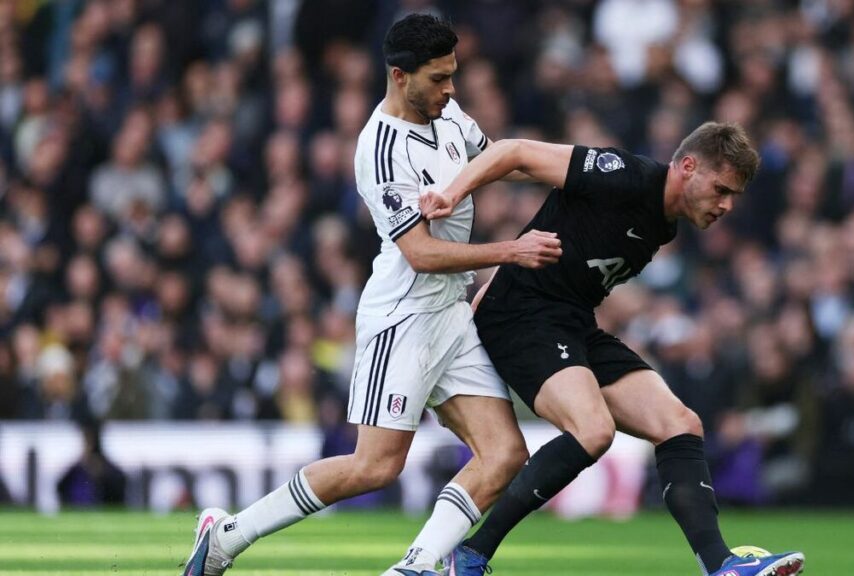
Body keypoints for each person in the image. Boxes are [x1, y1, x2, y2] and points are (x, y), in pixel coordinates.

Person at [181, 14, 562, 576]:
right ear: (400, 76)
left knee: (504, 454)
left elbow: (497, 157)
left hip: (452, 314)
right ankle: (226, 537)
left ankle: (415, 566)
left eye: (453, 75)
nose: (451, 89)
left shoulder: (449, 113)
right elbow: (421, 253)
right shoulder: (379, 148)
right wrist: (511, 251)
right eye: (439, 78)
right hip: (403, 315)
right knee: (375, 466)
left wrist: (580, 173)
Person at [420, 123, 805, 576]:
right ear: (687, 167)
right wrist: (450, 193)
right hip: (522, 318)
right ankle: (470, 555)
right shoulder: (623, 174)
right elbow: (516, 151)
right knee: (593, 429)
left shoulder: (665, 227)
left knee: (680, 424)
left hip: (572, 322)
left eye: (733, 196)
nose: (726, 205)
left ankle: (722, 566)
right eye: (721, 189)